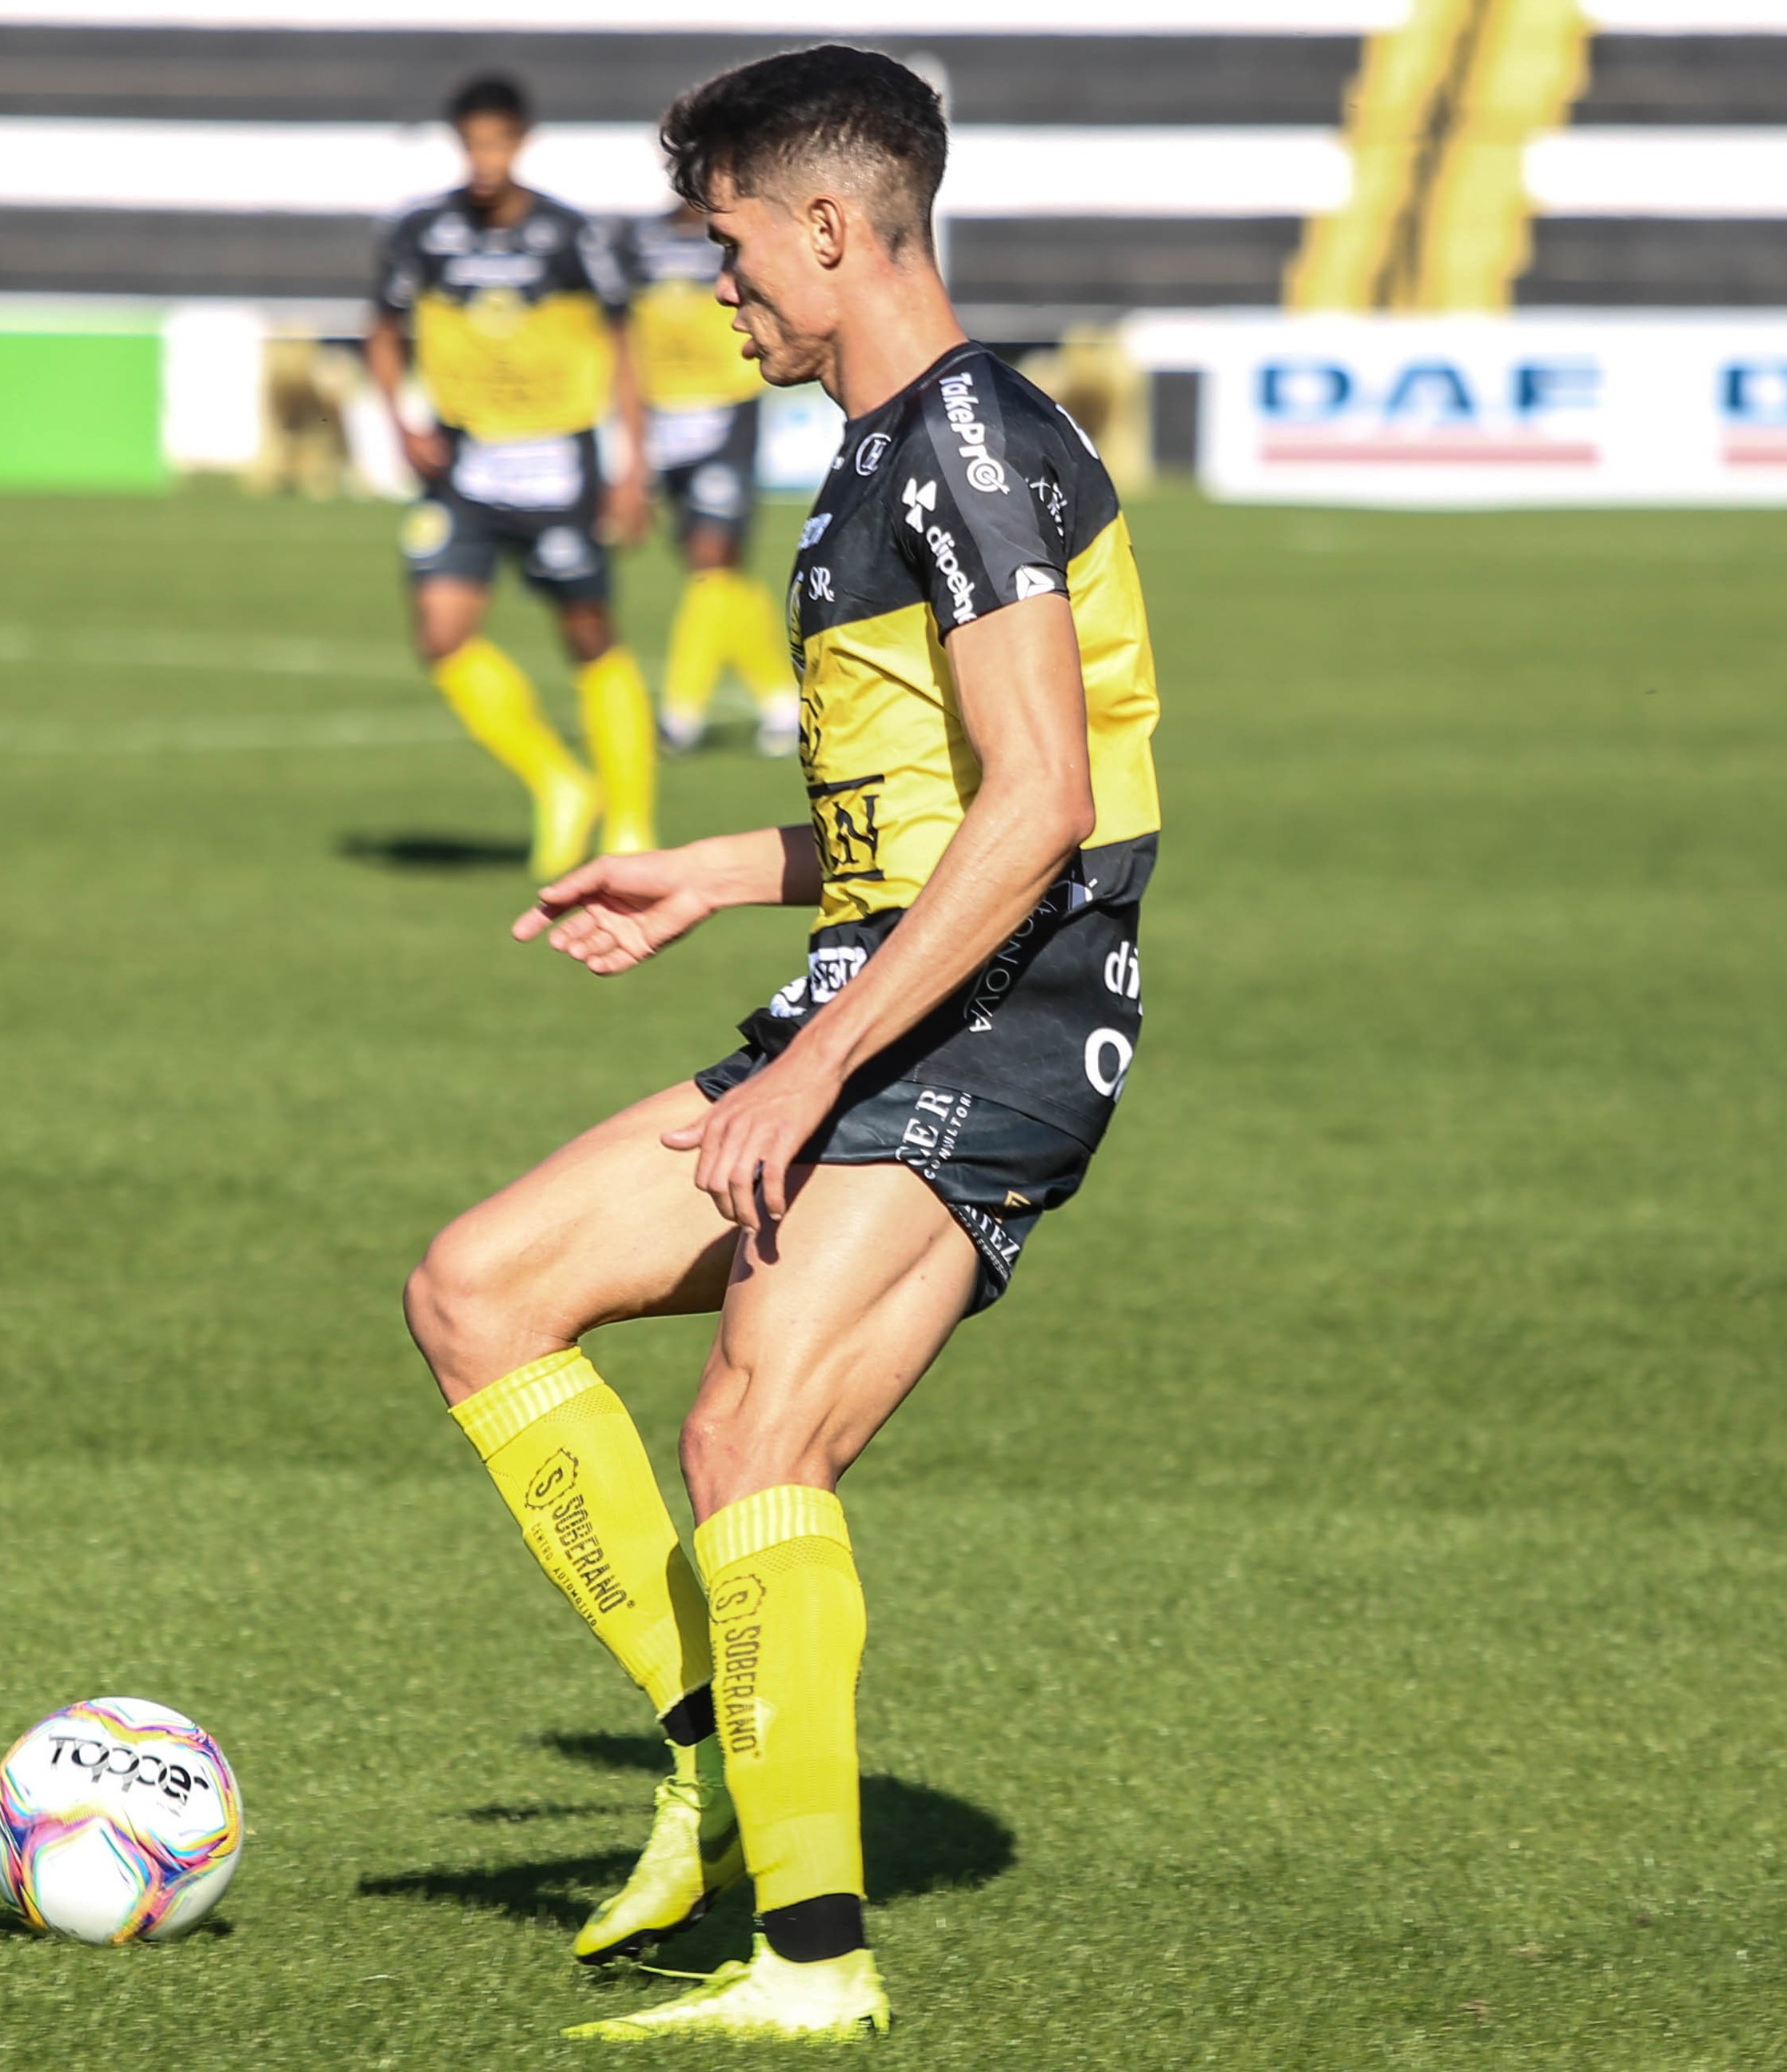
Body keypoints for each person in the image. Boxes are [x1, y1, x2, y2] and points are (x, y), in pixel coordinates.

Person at [403, 45, 1162, 2042]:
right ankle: (711, 1766)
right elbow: (920, 815)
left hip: (1003, 1016)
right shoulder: (885, 445)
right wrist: (714, 874)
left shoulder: (970, 442)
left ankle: (813, 1966)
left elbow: (1040, 807)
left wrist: (819, 1072)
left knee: (755, 1430)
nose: (714, 289)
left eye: (728, 245)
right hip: (881, 987)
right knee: (480, 1291)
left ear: (831, 226)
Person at [367, 75, 660, 873]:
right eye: (472, 143)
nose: (485, 158)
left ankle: (630, 818)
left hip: (558, 466)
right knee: (441, 635)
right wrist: (400, 419)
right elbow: (382, 331)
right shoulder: (424, 232)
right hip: (462, 465)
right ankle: (560, 783)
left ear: (521, 142)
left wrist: (633, 465)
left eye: (498, 142)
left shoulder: (569, 233)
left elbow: (622, 344)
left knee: (591, 639)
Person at [620, 202, 804, 760]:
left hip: (725, 412)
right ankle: (781, 700)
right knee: (722, 579)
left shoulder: (736, 236)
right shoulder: (637, 241)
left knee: (710, 561)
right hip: (663, 418)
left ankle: (679, 713)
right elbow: (618, 330)